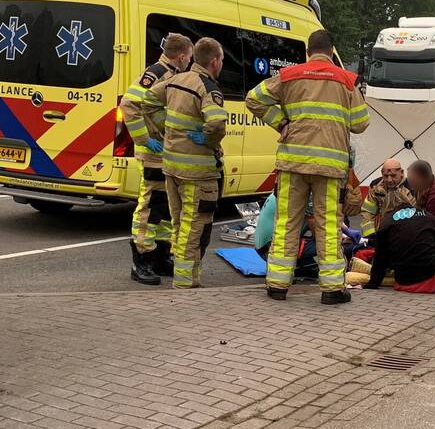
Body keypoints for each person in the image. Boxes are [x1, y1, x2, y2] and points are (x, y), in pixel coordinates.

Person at [246, 30, 369, 304]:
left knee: (287, 222)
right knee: (327, 225)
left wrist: (281, 122)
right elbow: (361, 123)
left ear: (308, 51)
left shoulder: (290, 75)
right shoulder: (347, 80)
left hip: (293, 163)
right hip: (329, 167)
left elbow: (253, 98)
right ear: (331, 49)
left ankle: (277, 285)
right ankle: (332, 289)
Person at [144, 37, 227, 289]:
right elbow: (216, 123)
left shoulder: (174, 80)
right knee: (195, 226)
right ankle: (186, 281)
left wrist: (167, 128)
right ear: (214, 61)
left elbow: (147, 101)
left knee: (179, 223)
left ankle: (181, 275)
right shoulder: (206, 86)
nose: (221, 64)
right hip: (197, 172)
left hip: (171, 167)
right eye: (221, 60)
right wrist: (208, 141)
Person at [119, 33, 194, 285]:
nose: (190, 62)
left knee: (163, 208)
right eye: (189, 57)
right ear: (182, 56)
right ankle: (141, 260)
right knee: (149, 207)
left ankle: (161, 256)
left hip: (165, 154)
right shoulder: (157, 72)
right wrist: (143, 139)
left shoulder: (171, 75)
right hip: (153, 153)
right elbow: (129, 104)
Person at [364, 205, 435, 293]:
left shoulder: (385, 223)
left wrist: (372, 284)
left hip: (404, 284)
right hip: (434, 280)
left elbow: (380, 259)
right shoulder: (429, 217)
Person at [360, 159, 415, 239]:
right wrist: (370, 235)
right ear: (382, 173)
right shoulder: (376, 186)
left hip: (406, 233)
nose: (389, 180)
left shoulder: (412, 188)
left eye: (393, 176)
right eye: (386, 176)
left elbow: (417, 216)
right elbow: (368, 212)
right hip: (383, 231)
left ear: (402, 173)